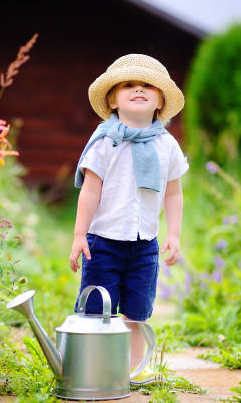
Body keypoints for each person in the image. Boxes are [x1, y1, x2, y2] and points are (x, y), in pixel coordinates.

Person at [69, 54, 188, 385]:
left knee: (136, 311)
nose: (139, 89)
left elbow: (174, 193)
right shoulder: (106, 141)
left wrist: (174, 235)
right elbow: (90, 191)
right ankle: (95, 367)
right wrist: (80, 235)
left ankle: (135, 368)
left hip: (144, 245)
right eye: (128, 85)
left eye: (148, 85)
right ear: (112, 99)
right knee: (97, 308)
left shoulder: (167, 145)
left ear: (161, 100)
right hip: (102, 241)